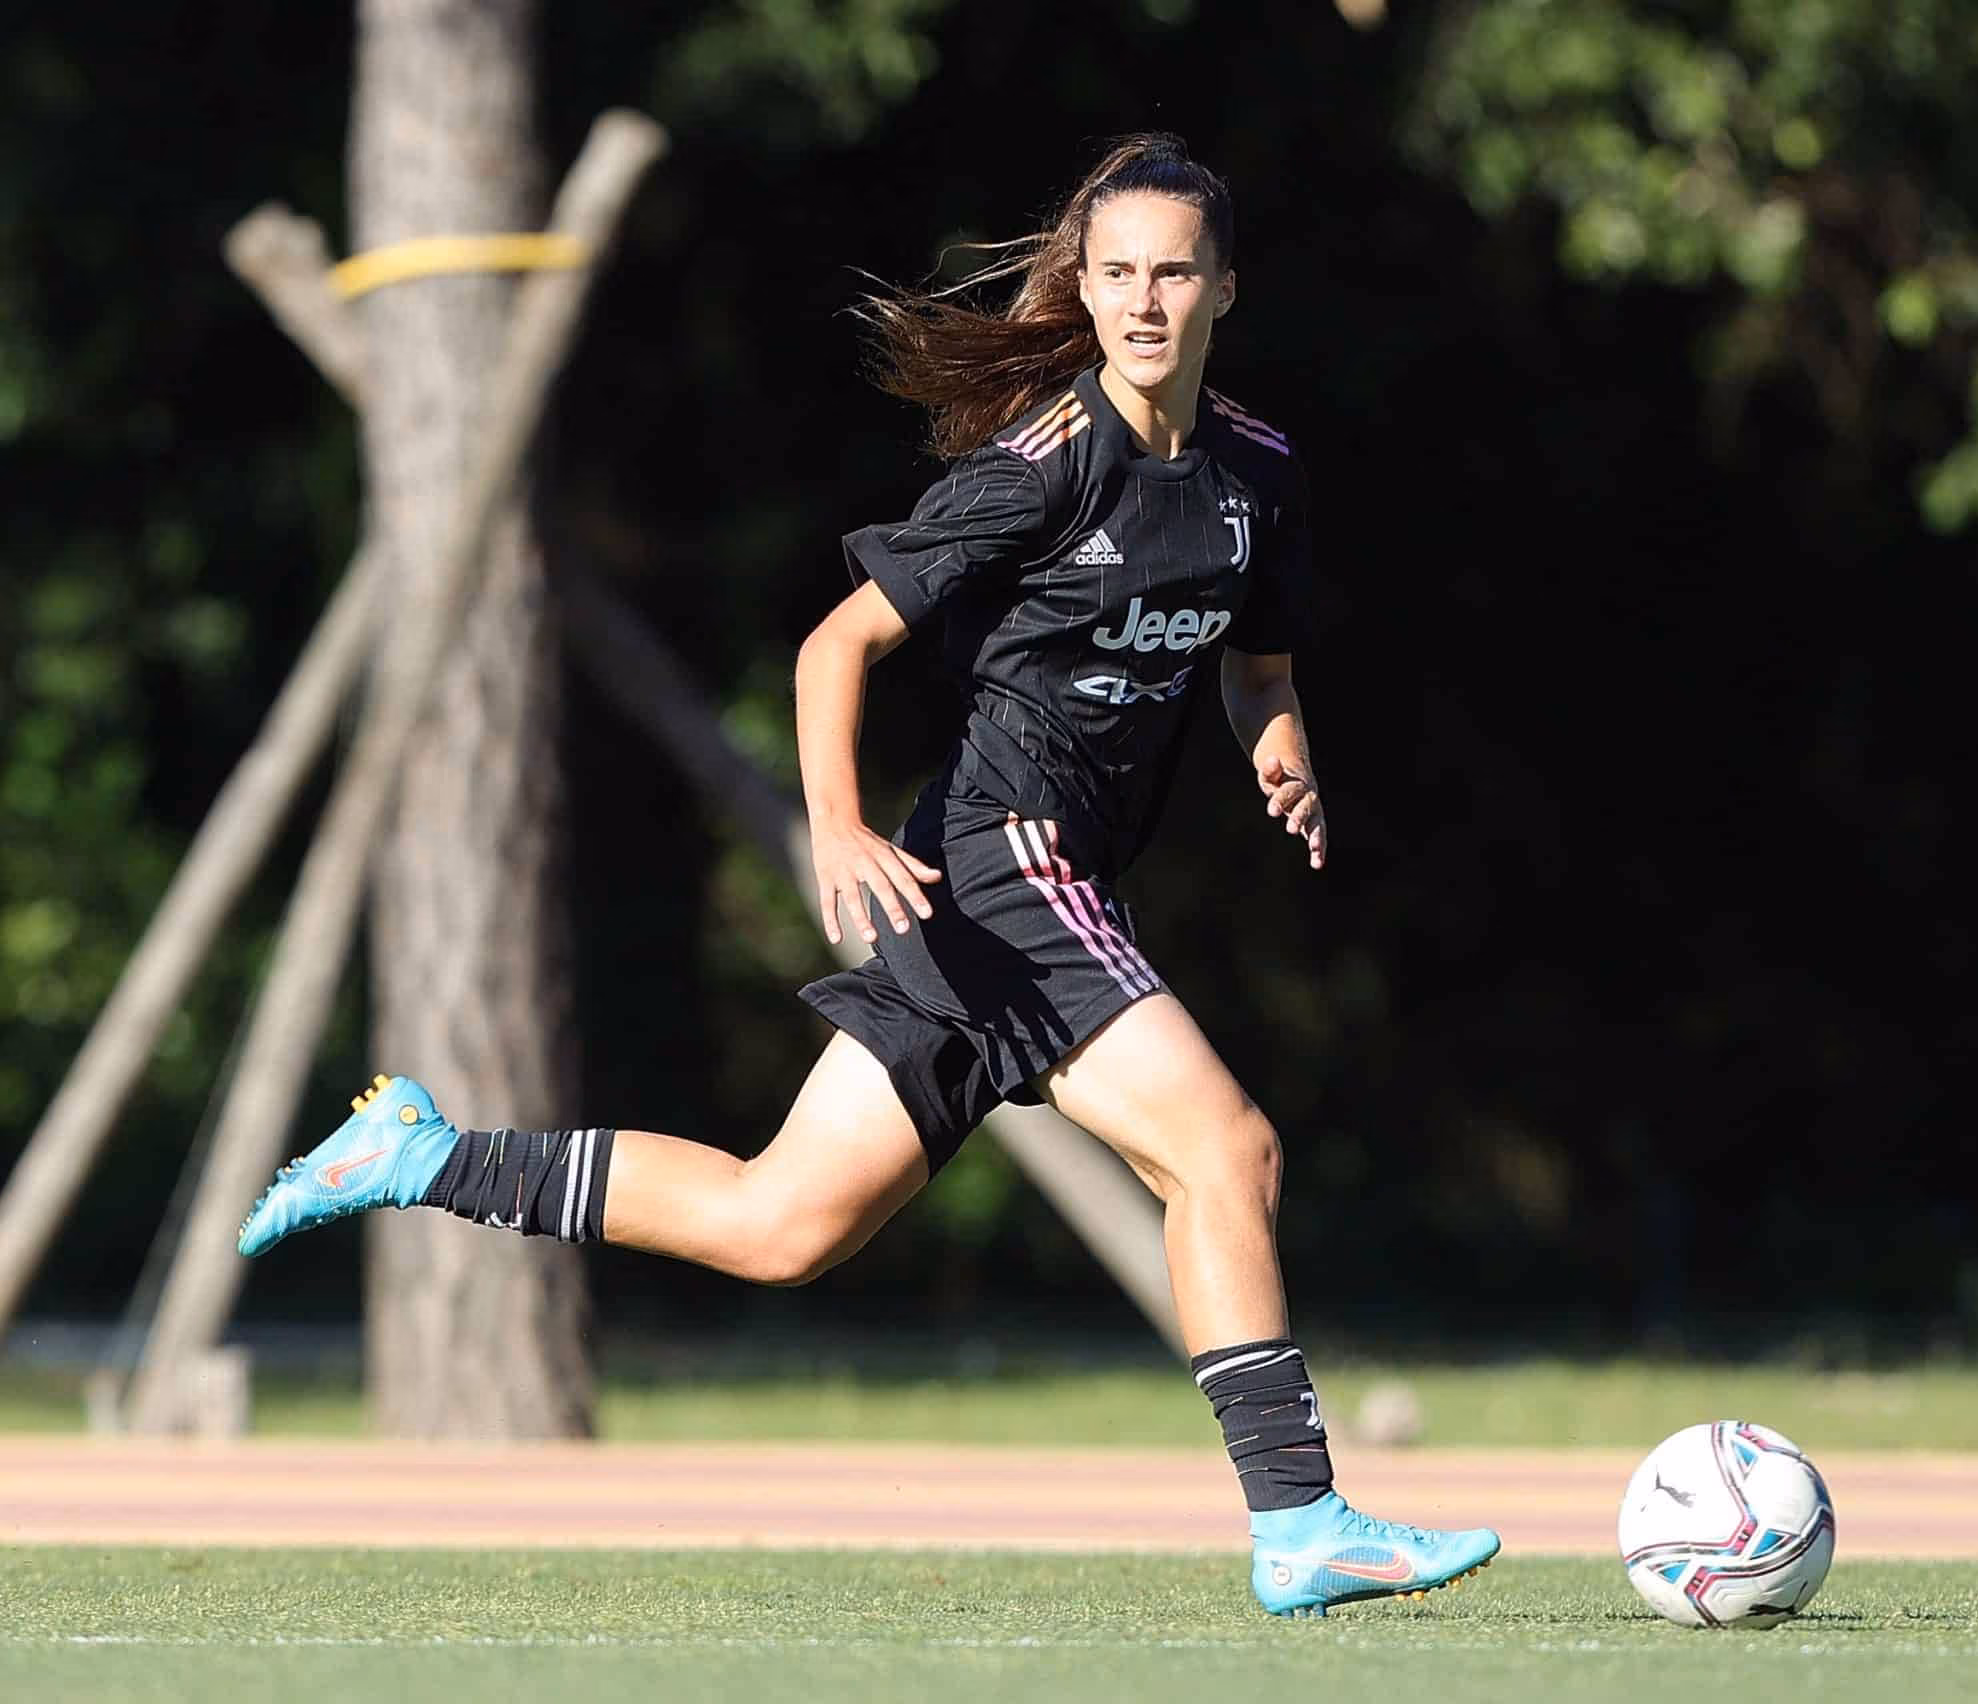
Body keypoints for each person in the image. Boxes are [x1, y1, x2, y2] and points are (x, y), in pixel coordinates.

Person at [239, 133, 1498, 1618]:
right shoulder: (1043, 465)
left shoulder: (1256, 474)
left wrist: (1280, 748)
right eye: (1116, 274)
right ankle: (1300, 1522)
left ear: (1226, 287)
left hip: (1010, 896)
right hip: (1004, 860)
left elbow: (1256, 669)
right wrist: (834, 826)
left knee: (778, 1226)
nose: (1144, 302)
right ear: (1084, 289)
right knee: (1228, 1152)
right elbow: (834, 646)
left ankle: (421, 1156)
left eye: (1172, 273)